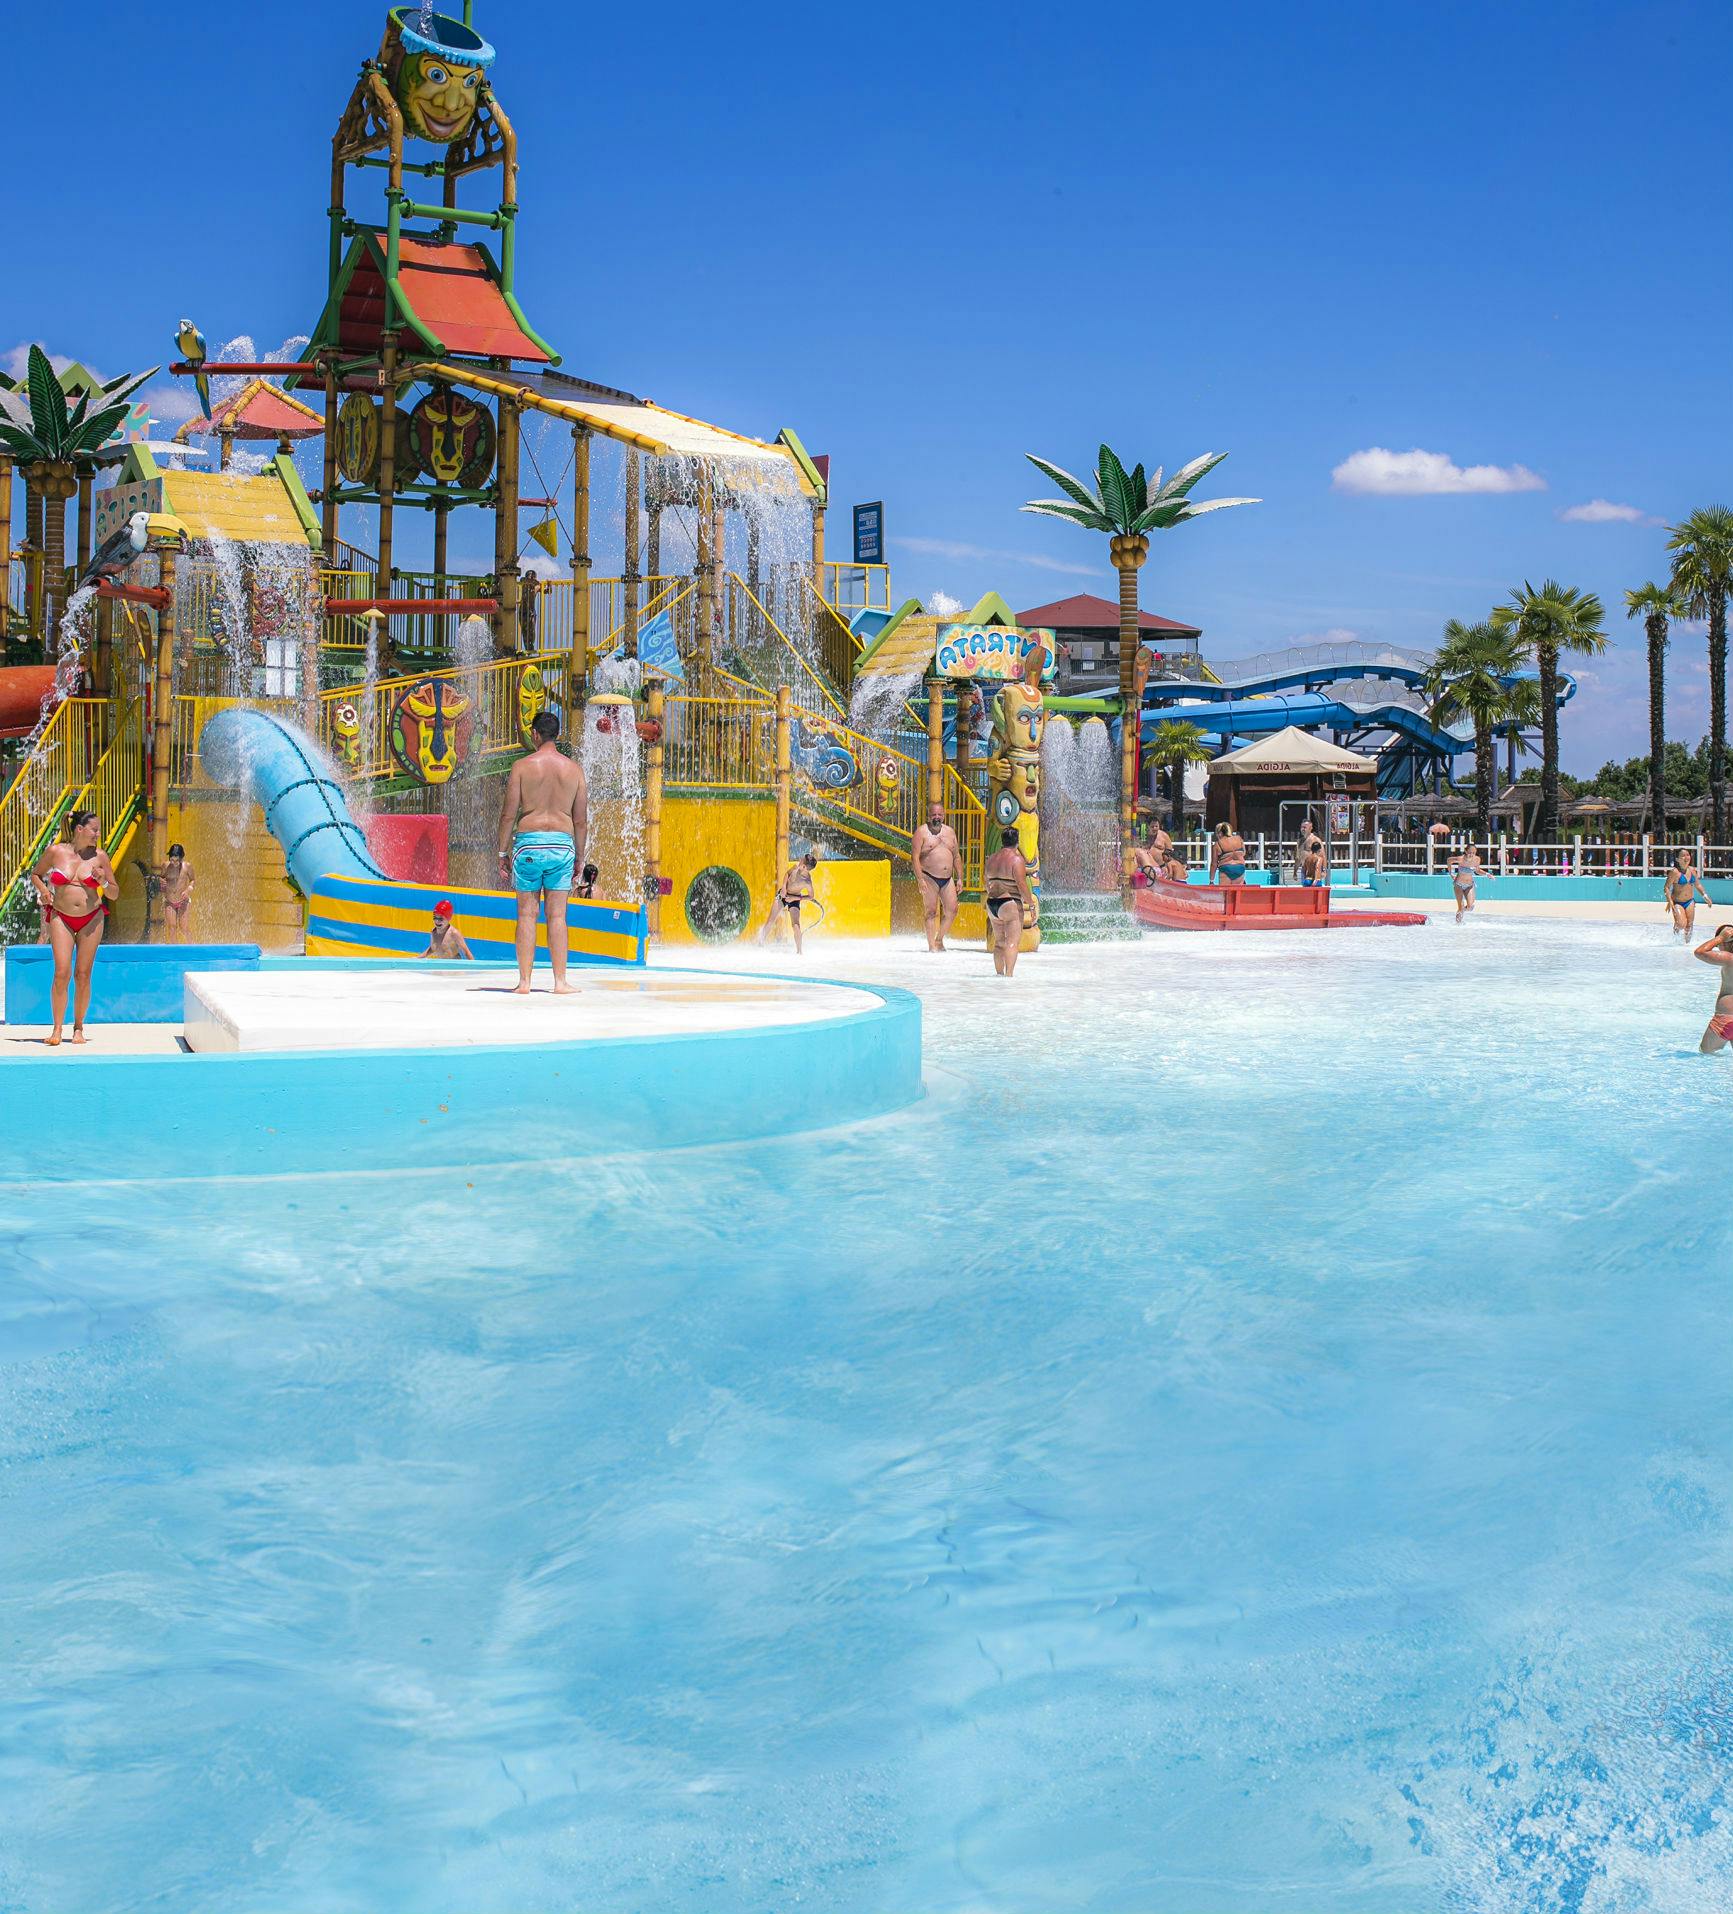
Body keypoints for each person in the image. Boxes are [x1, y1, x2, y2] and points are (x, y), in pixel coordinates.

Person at [496, 708, 588, 995]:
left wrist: (502, 853)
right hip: (562, 845)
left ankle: (524, 983)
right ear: (557, 735)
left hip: (529, 844)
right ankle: (560, 982)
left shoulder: (522, 767)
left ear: (535, 735)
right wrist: (580, 858)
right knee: (558, 916)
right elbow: (581, 820)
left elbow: (508, 815)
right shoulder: (574, 770)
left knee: (526, 914)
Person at [29, 808, 117, 1047]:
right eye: (94, 830)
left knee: (83, 975)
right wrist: (45, 891)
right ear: (80, 829)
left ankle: (78, 1027)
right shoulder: (56, 852)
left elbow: (114, 893)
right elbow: (35, 874)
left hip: (91, 918)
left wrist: (103, 881)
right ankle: (57, 1028)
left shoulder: (100, 857)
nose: (98, 834)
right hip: (61, 917)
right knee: (61, 973)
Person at [983, 826, 1036, 977]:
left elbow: (986, 882)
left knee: (999, 943)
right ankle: (1009, 976)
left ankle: (998, 976)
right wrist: (1030, 904)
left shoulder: (991, 859)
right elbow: (1021, 884)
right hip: (1009, 902)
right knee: (1012, 943)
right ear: (1017, 842)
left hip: (992, 903)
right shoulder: (1016, 860)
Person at [910, 802, 962, 951]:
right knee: (931, 912)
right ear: (928, 816)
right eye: (934, 815)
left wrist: (959, 878)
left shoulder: (950, 832)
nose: (937, 817)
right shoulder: (921, 833)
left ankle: (939, 939)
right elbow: (915, 857)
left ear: (944, 815)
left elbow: (956, 856)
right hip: (928, 877)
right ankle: (931, 945)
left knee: (952, 910)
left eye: (939, 815)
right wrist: (920, 879)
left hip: (947, 878)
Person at [758, 849, 819, 953]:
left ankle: (799, 952)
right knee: (771, 920)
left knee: (796, 925)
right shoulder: (796, 867)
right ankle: (760, 944)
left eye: (801, 860)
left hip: (794, 899)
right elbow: (787, 873)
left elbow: (811, 897)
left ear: (804, 867)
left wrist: (795, 898)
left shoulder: (807, 882)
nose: (799, 860)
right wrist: (784, 887)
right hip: (782, 895)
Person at [1694, 924, 1733, 1053]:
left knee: (1705, 1054)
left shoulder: (1729, 959)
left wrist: (1720, 938)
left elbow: (1700, 952)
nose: (1717, 947)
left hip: (1726, 1019)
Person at [1666, 850, 1709, 937]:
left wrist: (1705, 896)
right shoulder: (1674, 872)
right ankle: (1674, 939)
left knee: (1689, 925)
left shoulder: (1692, 870)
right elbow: (1666, 887)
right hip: (1677, 902)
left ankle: (1687, 944)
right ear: (1677, 859)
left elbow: (1698, 884)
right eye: (1683, 856)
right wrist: (1669, 901)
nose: (1686, 857)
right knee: (1681, 924)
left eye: (1688, 855)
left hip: (1690, 901)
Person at [161, 842, 194, 942]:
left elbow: (193, 880)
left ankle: (192, 947)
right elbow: (161, 877)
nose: (174, 863)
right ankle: (174, 951)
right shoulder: (165, 866)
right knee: (172, 927)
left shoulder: (187, 866)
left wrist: (188, 889)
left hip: (183, 901)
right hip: (169, 901)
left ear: (181, 859)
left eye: (177, 861)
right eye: (172, 860)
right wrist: (161, 881)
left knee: (184, 927)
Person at [1449, 846, 1487, 921]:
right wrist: (1451, 873)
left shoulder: (1477, 859)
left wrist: (1487, 874)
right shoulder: (1461, 859)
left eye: (1473, 853)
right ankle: (1458, 925)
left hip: (1469, 885)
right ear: (1466, 851)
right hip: (1458, 884)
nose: (1471, 854)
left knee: (1470, 906)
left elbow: (1477, 871)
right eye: (1470, 852)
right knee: (1460, 906)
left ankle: (1461, 911)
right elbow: (1449, 860)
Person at [1211, 820, 1248, 886]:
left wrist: (1211, 880)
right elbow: (1244, 853)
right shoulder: (1239, 839)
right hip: (1240, 868)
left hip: (1226, 868)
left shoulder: (1218, 844)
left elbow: (1214, 864)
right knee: (1237, 893)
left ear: (1220, 832)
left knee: (1224, 893)